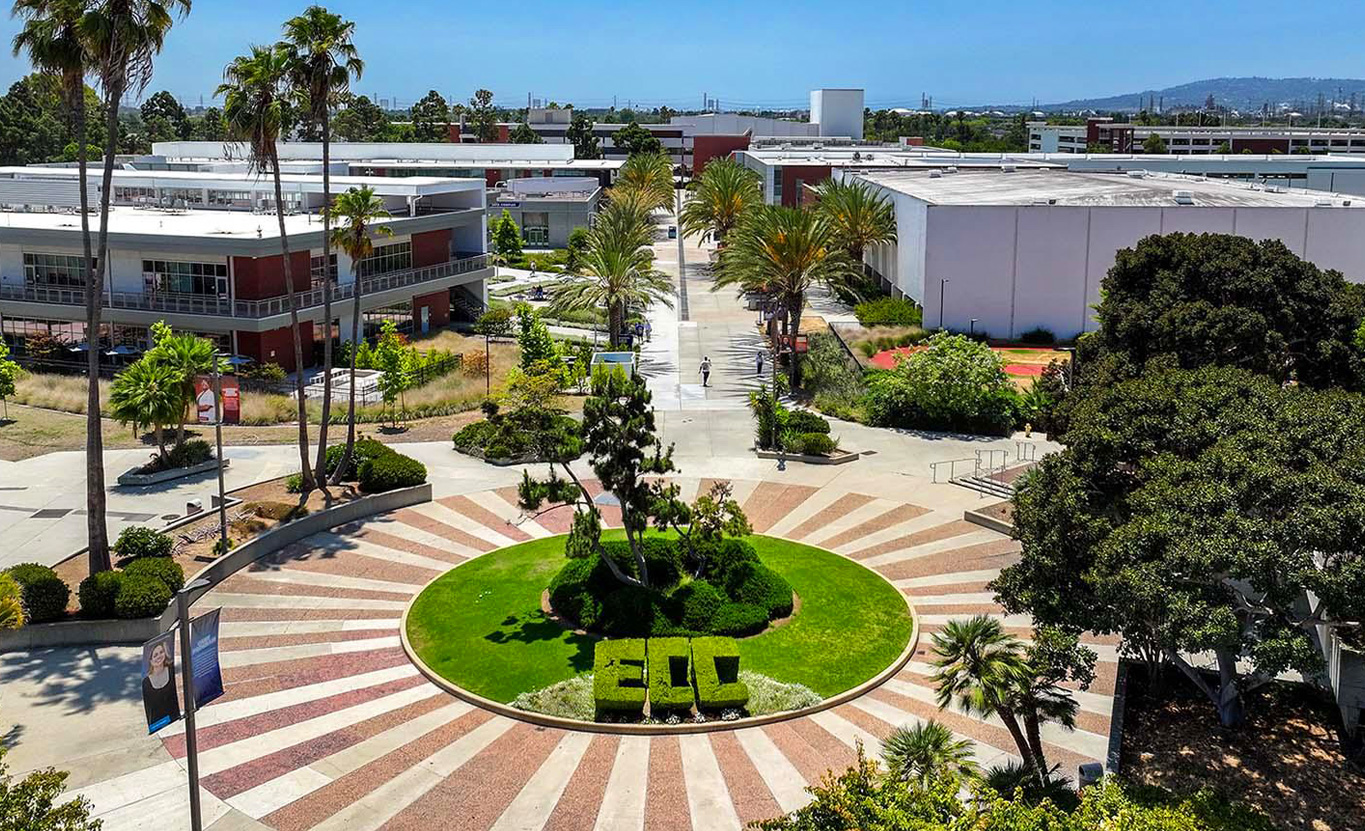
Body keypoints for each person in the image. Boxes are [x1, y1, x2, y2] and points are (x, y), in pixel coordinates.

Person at [142, 637, 181, 734]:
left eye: (161, 652)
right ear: (150, 660)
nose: (159, 656)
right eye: (155, 655)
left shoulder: (172, 670)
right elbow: (149, 709)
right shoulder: (146, 683)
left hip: (175, 721)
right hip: (158, 725)